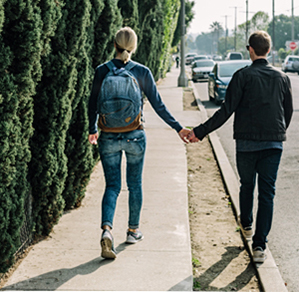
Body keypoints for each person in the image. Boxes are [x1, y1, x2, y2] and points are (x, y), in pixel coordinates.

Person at [188, 31, 293, 263]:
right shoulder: (283, 78)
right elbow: (288, 112)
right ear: (269, 49)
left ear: (250, 49)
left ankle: (246, 225)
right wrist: (277, 133)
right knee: (268, 194)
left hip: (246, 144)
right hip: (273, 145)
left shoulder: (242, 76)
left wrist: (199, 131)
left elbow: (226, 111)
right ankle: (259, 247)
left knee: (247, 186)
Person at [88, 27, 190, 259]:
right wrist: (178, 128)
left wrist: (92, 129)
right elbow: (158, 105)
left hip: (109, 136)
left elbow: (92, 103)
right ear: (134, 47)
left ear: (114, 45)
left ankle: (106, 230)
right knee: (135, 184)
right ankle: (133, 230)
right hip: (135, 135)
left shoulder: (102, 71)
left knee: (112, 186)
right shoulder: (142, 72)